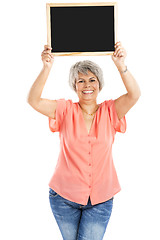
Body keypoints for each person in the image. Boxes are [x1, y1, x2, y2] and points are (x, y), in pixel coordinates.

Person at [27, 42, 141, 240]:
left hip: (101, 198)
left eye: (92, 79)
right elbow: (34, 100)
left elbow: (134, 95)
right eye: (80, 81)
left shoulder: (110, 111)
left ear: (99, 84)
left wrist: (121, 65)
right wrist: (46, 67)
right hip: (63, 197)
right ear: (74, 86)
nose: (87, 85)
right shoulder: (64, 110)